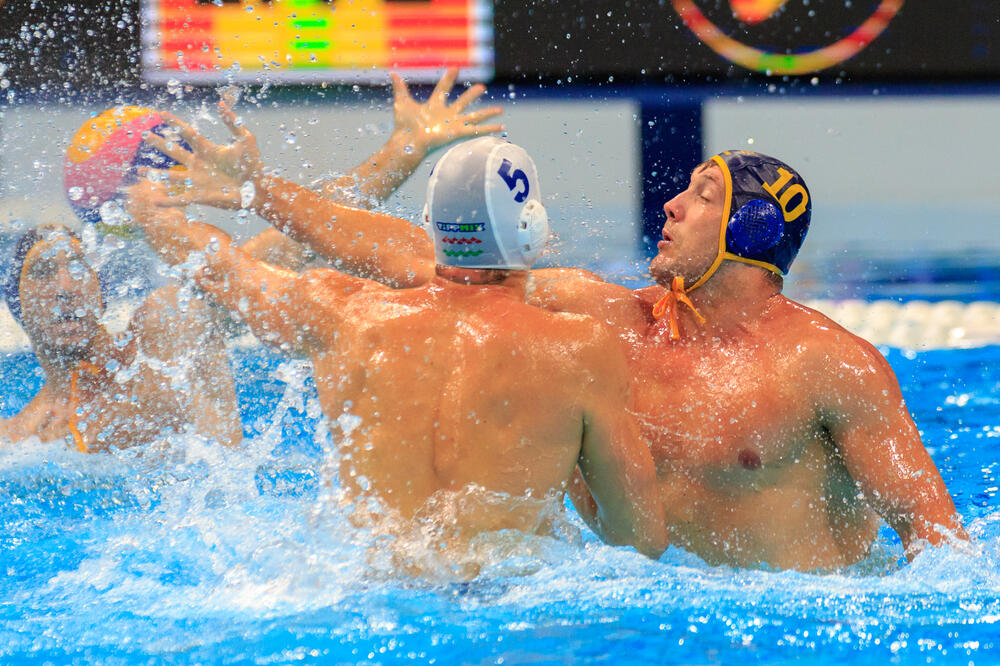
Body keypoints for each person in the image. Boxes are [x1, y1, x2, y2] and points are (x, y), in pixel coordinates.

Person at [154, 119, 966, 570]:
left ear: (751, 230)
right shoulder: (604, 322)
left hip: (784, 629)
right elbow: (419, 256)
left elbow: (940, 550)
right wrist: (261, 192)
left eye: (702, 195)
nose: (673, 204)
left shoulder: (831, 365)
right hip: (631, 616)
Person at [124, 136, 668, 570]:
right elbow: (639, 538)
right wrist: (565, 455)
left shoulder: (342, 315)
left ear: (430, 228)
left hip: (371, 585)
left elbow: (223, 268)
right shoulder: (577, 350)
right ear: (533, 227)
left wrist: (150, 210)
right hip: (512, 596)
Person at [0, 68, 504, 453]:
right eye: (44, 273)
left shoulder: (168, 331)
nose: (65, 285)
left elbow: (311, 231)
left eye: (77, 270)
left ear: (99, 290)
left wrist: (404, 149)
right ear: (15, 304)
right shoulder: (15, 439)